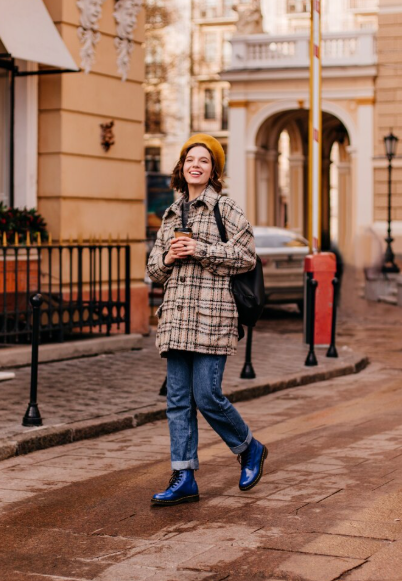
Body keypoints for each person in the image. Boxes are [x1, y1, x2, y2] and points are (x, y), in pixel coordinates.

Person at [146, 134, 267, 506]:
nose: (195, 165)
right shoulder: (170, 214)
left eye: (204, 161)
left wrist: (200, 249)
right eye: (190, 160)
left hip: (212, 316)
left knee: (207, 395)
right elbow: (153, 269)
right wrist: (168, 259)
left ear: (214, 170)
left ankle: (249, 448)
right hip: (177, 317)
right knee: (179, 400)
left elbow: (246, 256)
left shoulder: (225, 207)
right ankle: (184, 476)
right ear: (181, 168)